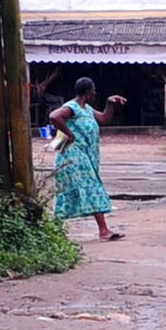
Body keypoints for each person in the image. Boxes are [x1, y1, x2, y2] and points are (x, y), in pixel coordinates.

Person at [47, 74, 119, 242]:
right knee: (91, 186)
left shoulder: (86, 109)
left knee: (70, 191)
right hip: (74, 155)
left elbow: (104, 119)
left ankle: (56, 231)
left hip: (86, 154)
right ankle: (103, 230)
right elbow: (54, 116)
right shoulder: (72, 107)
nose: (95, 93)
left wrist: (109, 104)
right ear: (87, 92)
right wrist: (69, 134)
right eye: (93, 90)